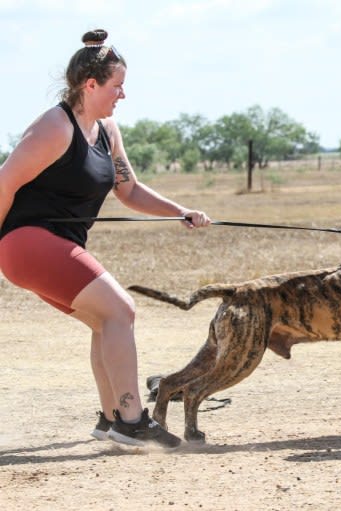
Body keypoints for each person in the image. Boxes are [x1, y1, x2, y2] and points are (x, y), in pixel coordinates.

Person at [0, 29, 212, 448]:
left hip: (57, 246)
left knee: (105, 320)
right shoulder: (54, 129)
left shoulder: (107, 130)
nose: (123, 95)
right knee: (121, 310)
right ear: (90, 84)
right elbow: (4, 184)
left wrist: (179, 211)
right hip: (26, 242)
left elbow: (129, 190)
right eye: (117, 86)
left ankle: (111, 417)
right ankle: (132, 420)